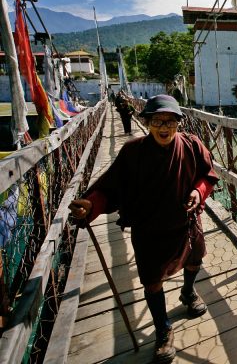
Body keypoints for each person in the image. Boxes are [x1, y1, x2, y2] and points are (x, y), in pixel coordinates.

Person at [69, 95, 218, 363]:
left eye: (170, 122)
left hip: (187, 221)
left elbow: (208, 175)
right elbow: (109, 189)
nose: (164, 127)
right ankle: (163, 329)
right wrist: (89, 206)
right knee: (152, 280)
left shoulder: (192, 145)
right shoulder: (133, 152)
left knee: (195, 260)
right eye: (158, 121)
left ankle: (188, 291)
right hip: (148, 227)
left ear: (178, 124)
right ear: (147, 122)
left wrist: (199, 192)